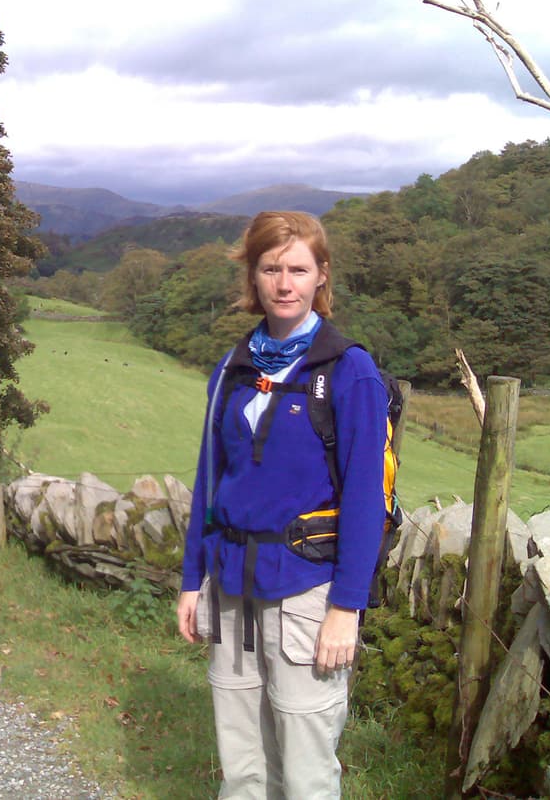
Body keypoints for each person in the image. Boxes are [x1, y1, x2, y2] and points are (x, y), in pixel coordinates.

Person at [176, 210, 389, 799]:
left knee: (304, 768)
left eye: (298, 268)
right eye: (271, 268)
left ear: (322, 275)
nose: (284, 282)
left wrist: (347, 607)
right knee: (242, 766)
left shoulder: (348, 371)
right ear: (254, 276)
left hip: (306, 593)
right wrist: (192, 580)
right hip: (231, 588)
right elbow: (210, 481)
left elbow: (366, 500)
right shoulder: (233, 366)